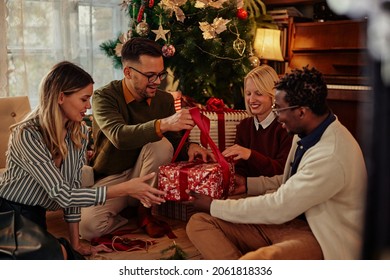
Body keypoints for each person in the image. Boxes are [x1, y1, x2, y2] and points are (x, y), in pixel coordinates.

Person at [186, 66, 367, 260]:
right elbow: (289, 182)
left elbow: (279, 206)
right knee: (200, 222)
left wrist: (214, 205)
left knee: (256, 261)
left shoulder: (330, 155)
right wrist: (247, 185)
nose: (277, 117)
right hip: (288, 221)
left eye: (279, 109)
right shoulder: (306, 132)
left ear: (301, 112)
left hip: (322, 236)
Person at [0, 61, 167, 259]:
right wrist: (126, 188)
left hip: (34, 216)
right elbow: (62, 195)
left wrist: (76, 244)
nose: (89, 106)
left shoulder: (78, 133)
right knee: (55, 257)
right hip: (7, 213)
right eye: (84, 99)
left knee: (66, 256)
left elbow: (72, 189)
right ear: (61, 97)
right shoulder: (27, 134)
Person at [79, 37, 210, 241]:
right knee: (88, 228)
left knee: (160, 144)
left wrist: (192, 145)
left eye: (160, 74)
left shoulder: (164, 99)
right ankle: (128, 214)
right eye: (150, 75)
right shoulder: (104, 97)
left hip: (147, 174)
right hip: (112, 179)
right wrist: (164, 123)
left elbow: (173, 141)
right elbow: (119, 136)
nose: (157, 81)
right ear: (128, 72)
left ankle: (144, 211)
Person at [222, 65, 292, 194]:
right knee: (198, 215)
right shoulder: (244, 126)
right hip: (246, 191)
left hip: (275, 194)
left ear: (273, 95)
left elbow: (283, 171)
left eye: (258, 93)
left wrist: (250, 155)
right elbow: (241, 168)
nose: (251, 99)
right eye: (248, 94)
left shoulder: (285, 127)